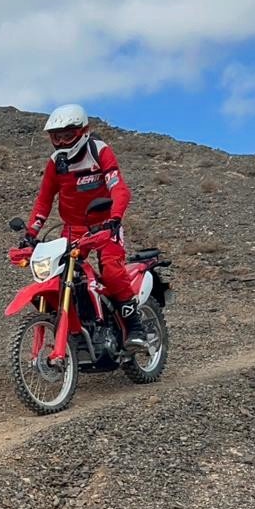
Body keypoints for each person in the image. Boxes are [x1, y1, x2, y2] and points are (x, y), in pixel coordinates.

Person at [27, 105, 148, 346]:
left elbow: (118, 188)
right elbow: (44, 200)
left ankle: (136, 327)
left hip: (104, 225)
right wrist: (31, 232)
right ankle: (78, 327)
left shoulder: (99, 151)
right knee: (58, 274)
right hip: (73, 228)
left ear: (82, 132)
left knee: (112, 271)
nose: (62, 142)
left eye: (67, 136)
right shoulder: (55, 163)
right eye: (56, 137)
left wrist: (115, 218)